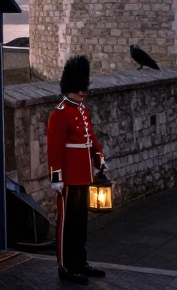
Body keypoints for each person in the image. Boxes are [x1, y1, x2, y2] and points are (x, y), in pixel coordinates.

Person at [46, 55, 108, 284]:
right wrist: (56, 176)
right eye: (80, 89)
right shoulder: (60, 113)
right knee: (67, 223)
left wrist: (99, 158)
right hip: (69, 177)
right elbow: (54, 148)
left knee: (81, 222)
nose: (84, 93)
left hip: (83, 175)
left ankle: (80, 262)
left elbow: (90, 138)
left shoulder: (82, 110)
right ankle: (65, 266)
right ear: (70, 87)